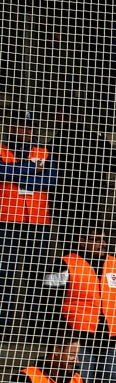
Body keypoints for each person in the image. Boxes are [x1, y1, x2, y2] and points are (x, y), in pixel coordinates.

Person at [42, 227, 116, 383]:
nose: (103, 243)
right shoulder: (66, 263)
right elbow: (48, 302)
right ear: (82, 242)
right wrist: (60, 335)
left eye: (104, 239)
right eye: (97, 240)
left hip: (111, 338)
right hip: (79, 338)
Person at [0, 110, 56, 326]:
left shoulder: (43, 151)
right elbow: (1, 171)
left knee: (38, 271)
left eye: (29, 125)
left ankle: (36, 322)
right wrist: (29, 170)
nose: (27, 129)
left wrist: (21, 176)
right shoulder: (3, 150)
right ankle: (3, 322)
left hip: (39, 220)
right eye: (21, 125)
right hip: (7, 219)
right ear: (11, 127)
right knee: (5, 272)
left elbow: (51, 179)